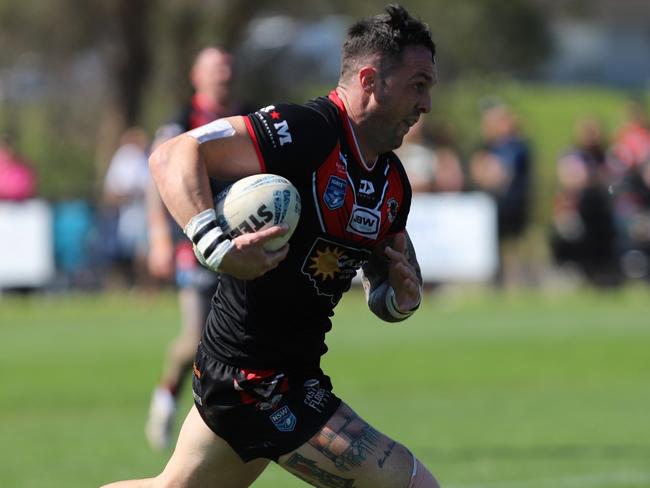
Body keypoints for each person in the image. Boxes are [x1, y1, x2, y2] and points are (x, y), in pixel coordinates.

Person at [103, 5, 439, 488]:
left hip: (280, 373)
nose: (426, 104)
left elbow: (385, 287)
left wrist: (400, 299)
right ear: (370, 80)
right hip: (256, 382)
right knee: (411, 485)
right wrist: (216, 246)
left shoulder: (392, 184)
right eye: (418, 84)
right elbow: (173, 154)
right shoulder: (304, 131)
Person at [145, 46, 250, 450]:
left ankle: (227, 424)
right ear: (196, 76)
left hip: (245, 240)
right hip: (196, 243)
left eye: (227, 66)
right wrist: (157, 235)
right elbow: (158, 176)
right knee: (194, 339)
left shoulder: (250, 116)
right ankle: (165, 396)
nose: (222, 74)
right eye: (214, 68)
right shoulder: (179, 121)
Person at [469, 101, 533, 287]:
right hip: (492, 205)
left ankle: (518, 282)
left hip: (511, 205)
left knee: (513, 246)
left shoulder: (515, 146)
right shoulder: (488, 146)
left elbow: (499, 175)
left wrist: (486, 170)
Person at [101, 127, 151, 288]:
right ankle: (129, 284)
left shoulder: (144, 157)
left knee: (142, 251)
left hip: (143, 211)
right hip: (128, 212)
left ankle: (145, 285)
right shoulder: (124, 158)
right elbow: (113, 191)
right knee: (127, 251)